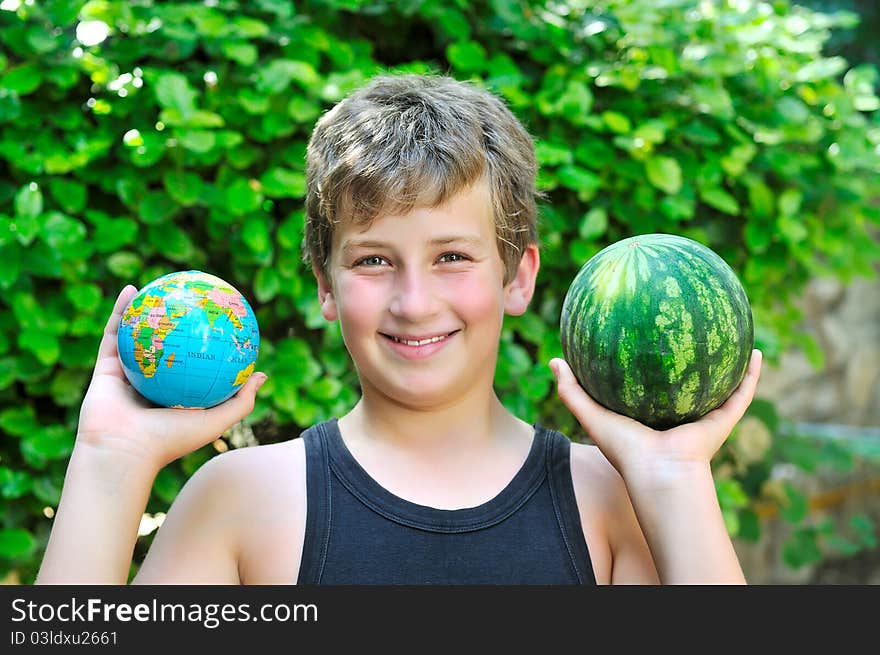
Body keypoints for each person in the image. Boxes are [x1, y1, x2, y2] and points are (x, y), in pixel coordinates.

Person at [36, 73, 762, 585]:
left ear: (518, 275)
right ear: (325, 283)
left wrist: (673, 480)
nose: (414, 302)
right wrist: (110, 460)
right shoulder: (241, 501)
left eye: (452, 256)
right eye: (375, 260)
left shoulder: (612, 499)